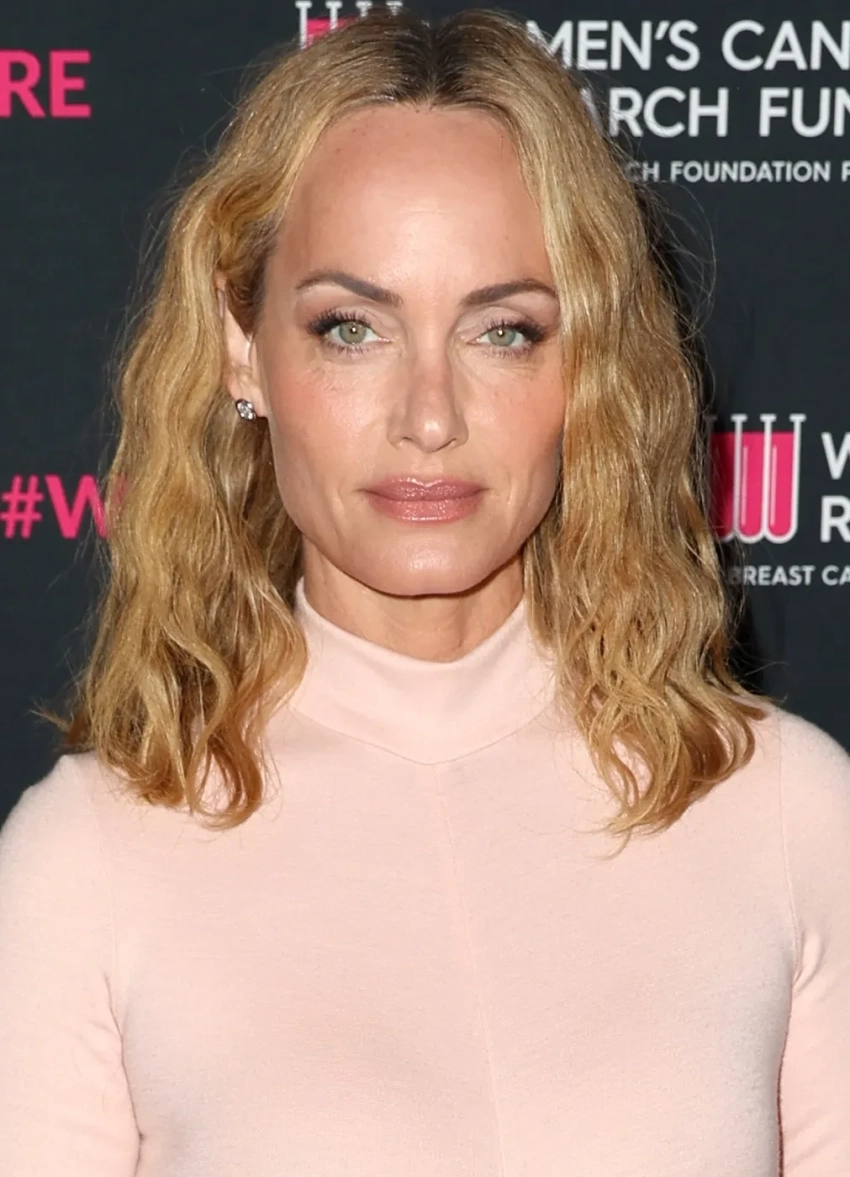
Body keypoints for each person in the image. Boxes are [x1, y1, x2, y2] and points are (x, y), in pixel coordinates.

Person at [1, 6, 848, 1175]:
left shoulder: (787, 813)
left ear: (588, 360)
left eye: (504, 331)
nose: (430, 417)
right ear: (244, 349)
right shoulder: (87, 858)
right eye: (351, 328)